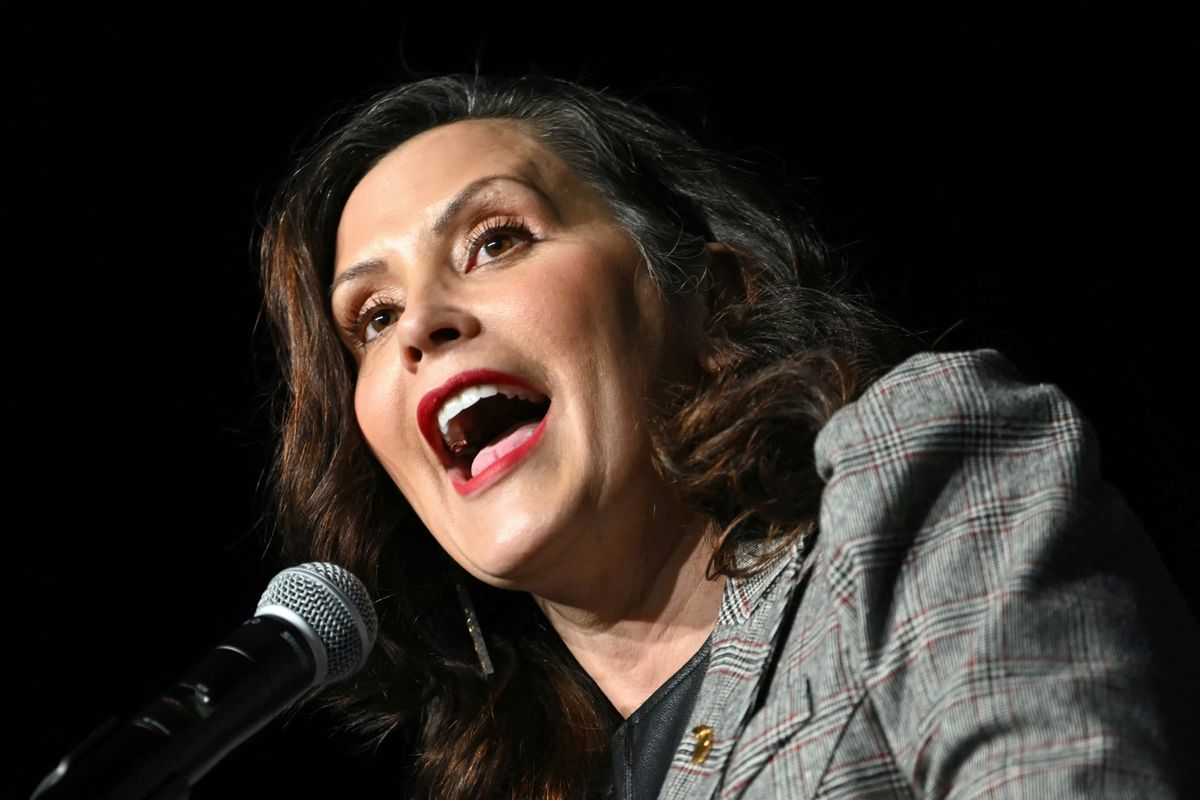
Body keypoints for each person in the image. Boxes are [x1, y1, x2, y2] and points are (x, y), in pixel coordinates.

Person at [257, 74, 1197, 799]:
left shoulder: (912, 466)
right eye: (373, 318)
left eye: (497, 240)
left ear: (709, 290)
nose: (420, 325)